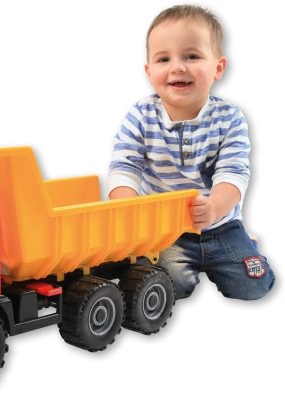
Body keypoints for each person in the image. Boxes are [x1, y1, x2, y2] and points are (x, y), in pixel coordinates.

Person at [108, 4, 275, 300]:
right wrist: (128, 207)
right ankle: (185, 268)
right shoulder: (141, 115)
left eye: (191, 56)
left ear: (218, 68)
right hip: (166, 230)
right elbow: (125, 167)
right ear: (149, 71)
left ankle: (245, 245)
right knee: (168, 287)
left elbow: (233, 173)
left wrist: (215, 207)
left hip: (220, 225)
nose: (177, 67)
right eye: (164, 59)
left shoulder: (229, 118)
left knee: (254, 286)